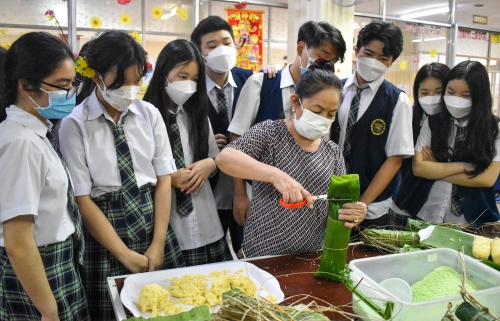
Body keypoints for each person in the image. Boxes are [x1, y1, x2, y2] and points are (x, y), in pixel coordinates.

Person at [58, 31, 185, 320]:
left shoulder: (149, 114)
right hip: (106, 231)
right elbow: (82, 198)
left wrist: (158, 242)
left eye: (137, 80)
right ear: (96, 76)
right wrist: (123, 254)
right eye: (120, 83)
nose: (130, 89)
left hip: (151, 218)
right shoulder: (73, 125)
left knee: (166, 308)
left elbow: (164, 180)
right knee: (115, 311)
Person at [216, 59, 367, 258]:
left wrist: (355, 211)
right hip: (264, 254)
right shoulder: (270, 133)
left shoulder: (331, 151)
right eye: (316, 111)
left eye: (331, 114)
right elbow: (225, 158)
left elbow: (340, 204)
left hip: (312, 255)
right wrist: (276, 175)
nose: (323, 119)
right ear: (295, 102)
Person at [0, 32, 89, 320]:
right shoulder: (20, 143)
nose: (70, 94)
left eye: (72, 83)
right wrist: (49, 311)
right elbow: (18, 240)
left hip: (56, 264)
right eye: (61, 86)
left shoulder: (38, 133)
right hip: (38, 270)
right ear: (26, 85)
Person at [228, 21, 347, 230]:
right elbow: (236, 143)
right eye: (322, 55)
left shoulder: (329, 94)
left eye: (332, 60)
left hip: (306, 201)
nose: (325, 63)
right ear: (301, 48)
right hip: (260, 198)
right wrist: (239, 194)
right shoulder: (262, 83)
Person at [143, 39, 232, 266]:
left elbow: (215, 158)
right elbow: (137, 169)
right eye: (182, 77)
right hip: (167, 227)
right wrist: (169, 178)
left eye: (194, 79)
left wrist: (210, 165)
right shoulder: (144, 118)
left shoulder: (198, 116)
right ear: (163, 72)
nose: (189, 85)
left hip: (206, 221)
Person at [191, 15, 275, 253]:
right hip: (207, 190)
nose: (222, 49)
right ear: (200, 52)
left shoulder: (251, 80)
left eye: (227, 42)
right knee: (211, 256)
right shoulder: (190, 85)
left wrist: (271, 72)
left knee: (246, 252)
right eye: (212, 45)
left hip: (245, 190)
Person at [330, 21, 413, 228]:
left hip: (372, 207)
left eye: (383, 58)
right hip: (329, 198)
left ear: (391, 62)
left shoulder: (397, 101)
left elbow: (394, 160)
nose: (375, 61)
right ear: (356, 51)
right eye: (369, 53)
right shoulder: (334, 89)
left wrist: (361, 204)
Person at [410, 60, 500, 226]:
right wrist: (466, 167)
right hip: (430, 213)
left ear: (479, 96)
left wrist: (437, 168)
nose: (456, 100)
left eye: (465, 95)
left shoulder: (494, 128)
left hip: (475, 220)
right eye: (451, 92)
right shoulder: (433, 121)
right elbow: (419, 168)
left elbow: (487, 179)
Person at [388, 63, 450, 227]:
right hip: (404, 202)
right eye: (424, 92)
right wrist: (433, 168)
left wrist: (436, 168)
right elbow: (418, 167)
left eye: (439, 92)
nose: (431, 97)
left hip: (437, 209)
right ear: (417, 93)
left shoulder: (455, 125)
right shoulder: (410, 119)